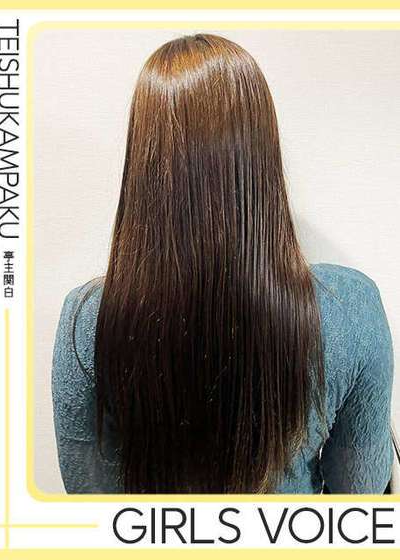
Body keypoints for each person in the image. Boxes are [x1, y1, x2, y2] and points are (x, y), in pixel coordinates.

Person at [51, 33, 394, 494]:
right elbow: (360, 493)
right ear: (262, 150)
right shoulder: (351, 306)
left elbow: (91, 497)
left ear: (143, 158)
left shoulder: (86, 320)